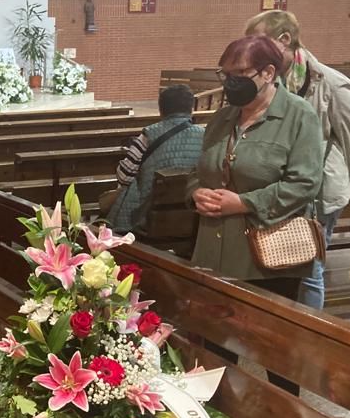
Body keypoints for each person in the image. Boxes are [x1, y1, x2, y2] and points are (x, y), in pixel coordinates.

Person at [189, 35, 324, 394]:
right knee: (215, 346)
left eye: (239, 74)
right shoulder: (224, 117)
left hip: (267, 258)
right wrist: (195, 193)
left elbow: (306, 184)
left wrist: (245, 202)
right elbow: (198, 172)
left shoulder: (298, 116)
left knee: (275, 353)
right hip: (214, 253)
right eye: (225, 74)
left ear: (267, 72)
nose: (230, 82)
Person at [244, 10, 350, 310]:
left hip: (320, 194)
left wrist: (339, 188)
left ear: (284, 39)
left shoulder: (331, 84)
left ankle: (308, 332)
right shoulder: (266, 79)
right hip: (281, 189)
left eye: (258, 40)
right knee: (277, 260)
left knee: (310, 269)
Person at [107, 85, 204, 234]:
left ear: (161, 109)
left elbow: (124, 176)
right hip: (191, 219)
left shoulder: (149, 135)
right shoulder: (206, 136)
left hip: (146, 217)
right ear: (191, 109)